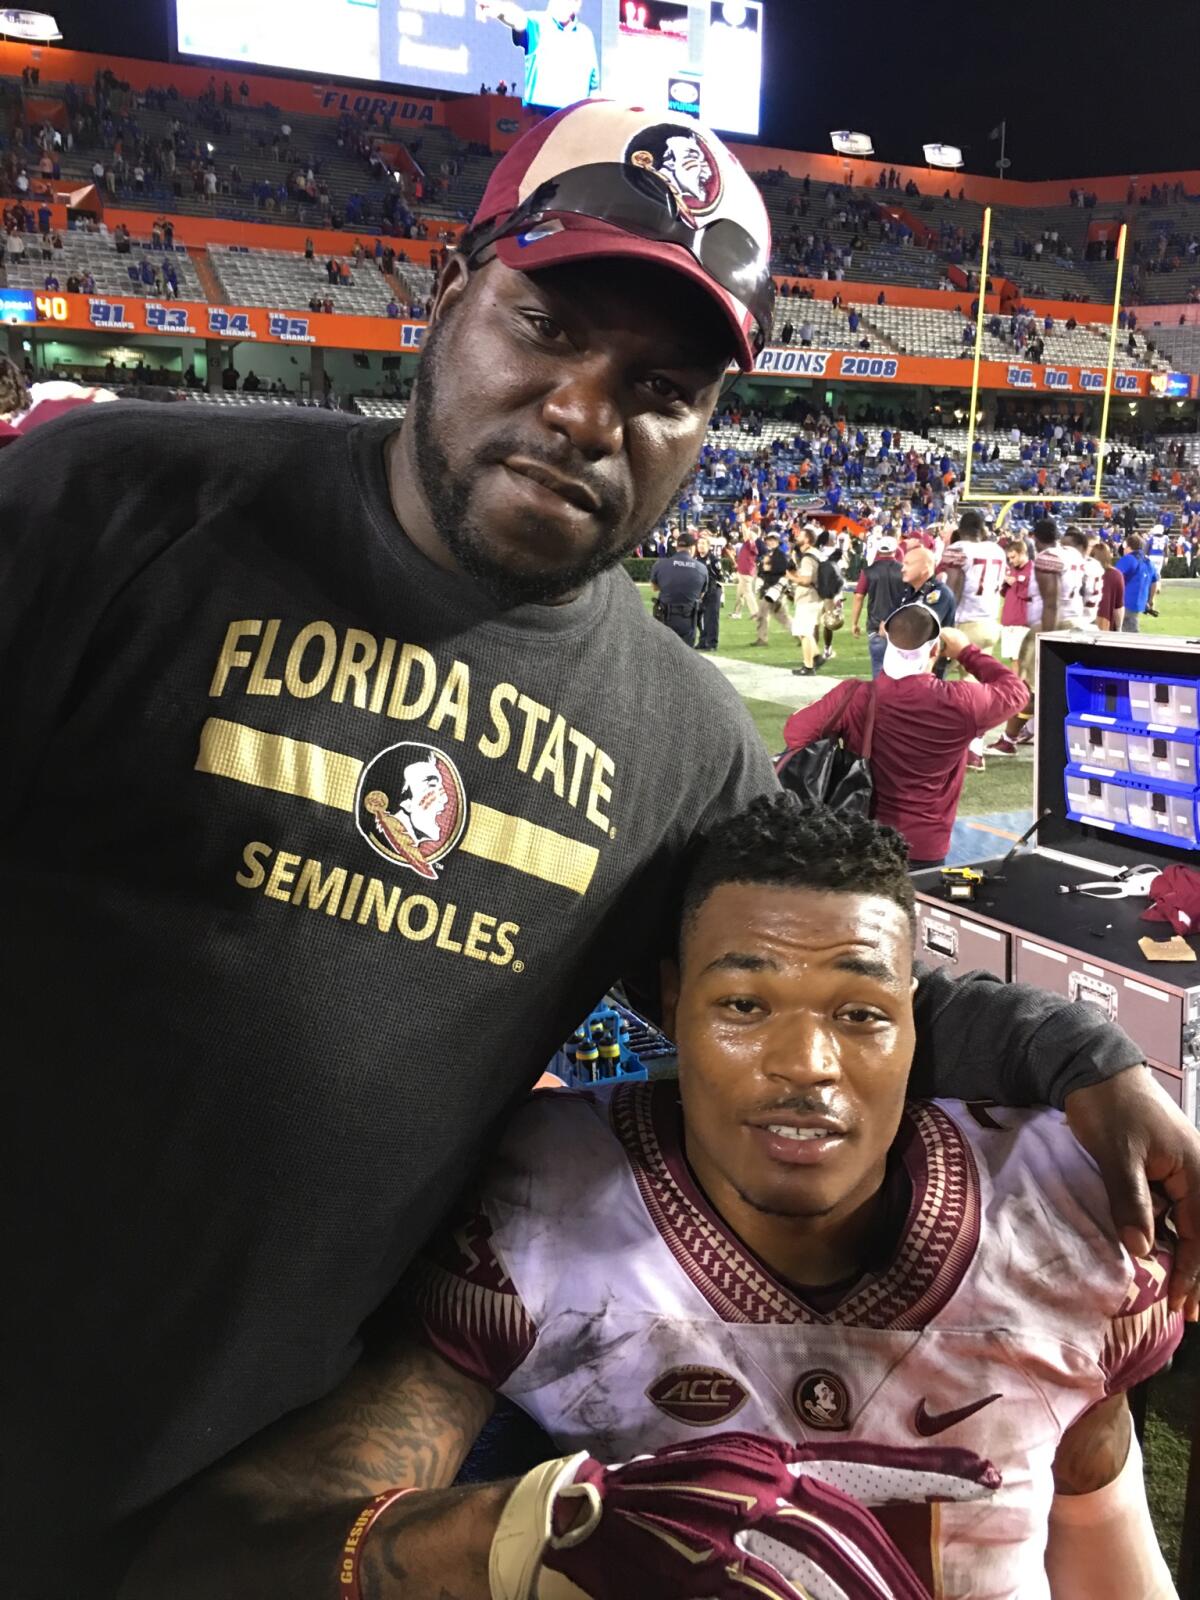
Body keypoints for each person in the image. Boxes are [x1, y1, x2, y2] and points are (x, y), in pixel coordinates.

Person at [5, 100, 1198, 1600]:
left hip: (265, 1467)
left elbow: (784, 982)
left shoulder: (684, 736)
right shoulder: (110, 506)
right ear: (451, 298)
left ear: (706, 427)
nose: (585, 410)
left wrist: (1087, 1054)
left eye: (663, 386)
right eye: (549, 325)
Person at [123, 800, 1182, 1600]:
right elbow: (232, 1547)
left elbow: (1096, 1508)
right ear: (671, 1003)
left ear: (917, 1018)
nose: (807, 1063)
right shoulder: (544, 1212)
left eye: (861, 1013)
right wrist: (510, 1532)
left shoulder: (1063, 1213)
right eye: (744, 1003)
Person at [783, 607, 1028, 868]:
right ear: (935, 650)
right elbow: (1016, 692)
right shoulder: (962, 701)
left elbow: (796, 733)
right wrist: (966, 652)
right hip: (926, 844)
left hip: (862, 834)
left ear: (887, 638)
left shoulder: (855, 695)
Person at [993, 517, 1069, 756]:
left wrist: (1048, 637)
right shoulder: (1073, 559)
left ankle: (1012, 737)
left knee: (1030, 686)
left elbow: (1050, 601)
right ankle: (1028, 731)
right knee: (1041, 685)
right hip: (1072, 624)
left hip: (1044, 627)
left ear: (1034, 539)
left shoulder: (1043, 561)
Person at [477, 0, 600, 110]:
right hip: (538, 119)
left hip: (573, 123)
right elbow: (517, 18)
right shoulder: (538, 23)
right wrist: (496, 7)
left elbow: (593, 88)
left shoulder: (585, 35)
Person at [852, 534, 906, 677]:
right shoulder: (903, 570)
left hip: (876, 626)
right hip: (899, 627)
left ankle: (880, 699)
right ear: (895, 550)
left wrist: (854, 623)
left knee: (879, 670)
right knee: (901, 672)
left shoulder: (868, 572)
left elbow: (858, 596)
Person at [650, 528, 708, 646]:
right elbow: (701, 594)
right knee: (686, 658)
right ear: (692, 548)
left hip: (665, 617)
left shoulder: (661, 564)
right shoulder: (702, 568)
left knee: (664, 654)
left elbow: (654, 588)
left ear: (677, 547)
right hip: (688, 618)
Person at [789, 523, 823, 676]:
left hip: (808, 598)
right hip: (815, 597)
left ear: (807, 539)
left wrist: (790, 576)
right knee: (806, 631)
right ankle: (816, 656)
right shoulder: (815, 553)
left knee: (804, 633)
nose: (797, 537)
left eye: (801, 535)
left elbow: (806, 580)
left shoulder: (808, 558)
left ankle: (808, 666)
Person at [753, 529, 794, 645]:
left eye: (773, 540)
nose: (770, 542)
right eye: (769, 540)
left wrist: (769, 567)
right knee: (765, 615)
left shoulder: (780, 555)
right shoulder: (768, 554)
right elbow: (762, 571)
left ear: (777, 541)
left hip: (775, 589)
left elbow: (784, 570)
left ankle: (801, 635)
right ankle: (761, 638)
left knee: (781, 617)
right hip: (767, 588)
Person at [1115, 532, 1159, 633]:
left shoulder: (1128, 559)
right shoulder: (1148, 561)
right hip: (1138, 604)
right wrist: (1150, 600)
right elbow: (1154, 582)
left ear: (1127, 546)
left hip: (1124, 603)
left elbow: (1115, 577)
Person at [694, 530, 724, 651]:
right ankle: (702, 641)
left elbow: (719, 577)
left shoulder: (713, 560)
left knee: (711, 618)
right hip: (699, 592)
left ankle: (712, 643)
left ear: (708, 546)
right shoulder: (695, 559)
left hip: (712, 591)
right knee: (699, 618)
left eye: (703, 544)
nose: (701, 546)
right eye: (699, 543)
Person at [1092, 538, 1126, 632]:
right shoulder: (1116, 575)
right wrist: (1119, 628)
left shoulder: (1084, 572)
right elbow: (1118, 606)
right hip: (1105, 623)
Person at [730, 527, 760, 620]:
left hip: (746, 572)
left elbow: (746, 533)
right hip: (742, 571)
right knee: (740, 594)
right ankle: (737, 613)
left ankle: (756, 614)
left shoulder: (752, 544)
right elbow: (745, 532)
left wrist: (744, 524)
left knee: (748, 593)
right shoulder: (748, 543)